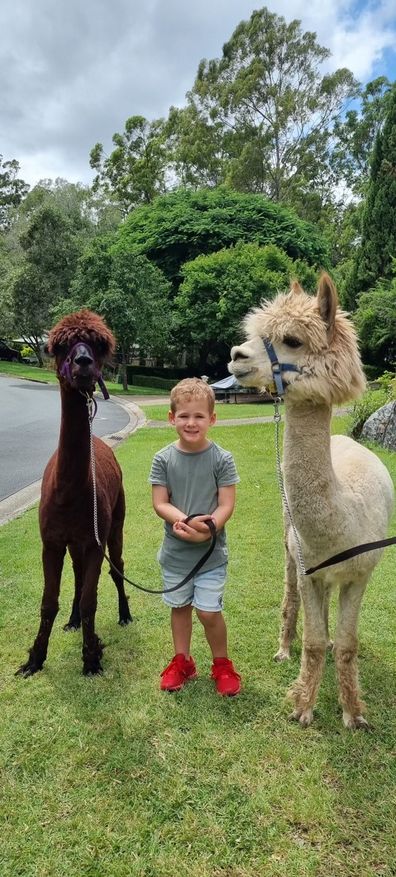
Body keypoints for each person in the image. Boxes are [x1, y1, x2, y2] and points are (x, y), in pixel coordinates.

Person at [149, 378, 241, 696]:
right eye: (184, 415)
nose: (191, 422)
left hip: (211, 555)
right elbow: (161, 502)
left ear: (212, 419)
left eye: (199, 416)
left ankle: (222, 665)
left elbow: (226, 503)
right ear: (172, 417)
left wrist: (208, 528)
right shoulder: (162, 459)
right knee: (180, 608)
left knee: (208, 611)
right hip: (175, 555)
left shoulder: (222, 459)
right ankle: (182, 662)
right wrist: (185, 521)